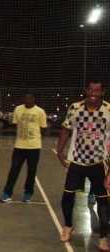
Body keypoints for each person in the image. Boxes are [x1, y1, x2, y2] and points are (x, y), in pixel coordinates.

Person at [57, 78, 110, 251]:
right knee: (67, 196)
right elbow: (66, 129)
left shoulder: (108, 110)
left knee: (103, 201)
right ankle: (68, 226)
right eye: (91, 90)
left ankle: (103, 237)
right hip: (77, 160)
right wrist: (59, 150)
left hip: (99, 162)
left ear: (102, 92)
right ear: (86, 90)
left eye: (97, 91)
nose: (93, 94)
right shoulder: (75, 108)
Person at [0, 91, 47, 203]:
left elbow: (43, 128)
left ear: (34, 99)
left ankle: (28, 193)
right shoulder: (18, 109)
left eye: (30, 98)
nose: (28, 100)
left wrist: (35, 138)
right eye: (26, 98)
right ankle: (7, 192)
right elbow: (16, 124)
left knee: (31, 170)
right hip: (19, 146)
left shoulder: (40, 112)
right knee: (14, 169)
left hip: (34, 147)